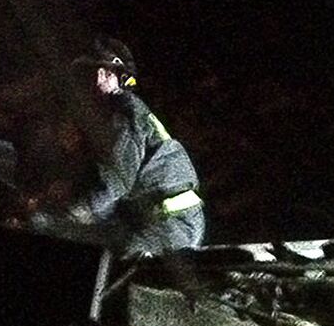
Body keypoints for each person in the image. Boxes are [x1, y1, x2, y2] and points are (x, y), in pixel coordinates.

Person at [25, 37, 205, 257]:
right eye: (87, 74)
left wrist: (74, 214)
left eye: (102, 72)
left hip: (172, 225)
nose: (94, 81)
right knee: (53, 227)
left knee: (107, 254)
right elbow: (100, 176)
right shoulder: (104, 119)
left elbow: (117, 181)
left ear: (116, 78)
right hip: (148, 220)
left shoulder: (125, 114)